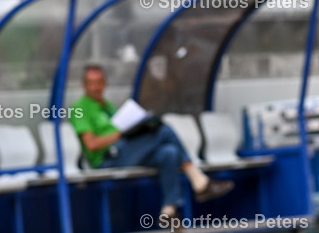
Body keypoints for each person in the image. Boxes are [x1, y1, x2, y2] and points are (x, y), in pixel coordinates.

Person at [70, 65, 234, 221]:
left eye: (99, 82)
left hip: (128, 152)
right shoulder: (80, 108)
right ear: (83, 85)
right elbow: (91, 144)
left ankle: (169, 209)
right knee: (164, 131)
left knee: (169, 152)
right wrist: (120, 135)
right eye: (91, 83)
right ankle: (197, 179)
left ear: (105, 83)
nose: (95, 87)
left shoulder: (109, 106)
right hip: (108, 159)